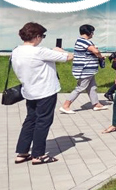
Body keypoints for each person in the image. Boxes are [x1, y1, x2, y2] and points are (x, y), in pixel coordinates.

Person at [12, 22, 73, 165]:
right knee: (43, 122)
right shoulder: (40, 51)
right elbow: (68, 57)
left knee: (30, 120)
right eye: (42, 36)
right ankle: (38, 155)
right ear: (37, 36)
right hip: (45, 92)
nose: (42, 39)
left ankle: (22, 152)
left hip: (29, 91)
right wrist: (60, 51)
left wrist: (53, 51)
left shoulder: (16, 51)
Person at [60, 25, 107, 114]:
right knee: (80, 88)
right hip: (85, 70)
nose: (93, 34)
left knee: (92, 87)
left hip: (89, 70)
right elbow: (96, 51)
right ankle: (66, 105)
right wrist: (100, 56)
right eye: (92, 32)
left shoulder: (80, 41)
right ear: (89, 32)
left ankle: (96, 104)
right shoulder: (84, 41)